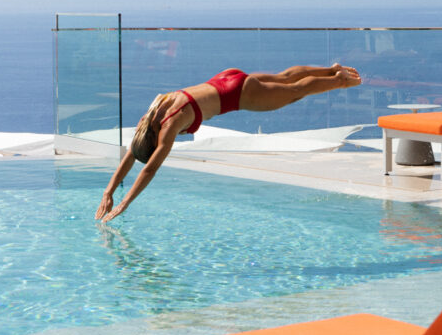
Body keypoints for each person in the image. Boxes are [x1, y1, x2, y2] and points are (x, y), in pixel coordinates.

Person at [95, 63, 361, 222]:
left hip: (237, 95)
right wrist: (108, 191)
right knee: (284, 77)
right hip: (225, 78)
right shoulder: (153, 112)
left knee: (293, 93)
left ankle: (339, 81)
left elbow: (149, 168)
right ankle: (332, 69)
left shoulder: (169, 128)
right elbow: (132, 152)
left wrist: (125, 202)